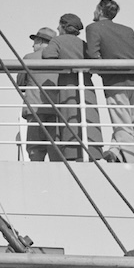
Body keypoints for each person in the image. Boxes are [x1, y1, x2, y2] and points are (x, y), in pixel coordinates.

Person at [86, 0, 134, 163]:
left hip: (115, 82)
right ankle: (115, 152)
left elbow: (92, 54)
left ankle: (133, 164)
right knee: (130, 127)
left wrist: (100, 70)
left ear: (99, 10)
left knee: (124, 128)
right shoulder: (128, 30)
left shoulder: (93, 28)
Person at [42, 13, 103, 161]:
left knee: (69, 118)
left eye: (59, 25)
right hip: (86, 85)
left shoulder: (58, 40)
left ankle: (71, 153)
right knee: (88, 118)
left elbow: (47, 55)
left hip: (67, 85)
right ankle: (93, 152)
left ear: (63, 26)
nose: (57, 28)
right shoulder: (83, 44)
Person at [18, 28, 59, 162]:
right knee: (56, 151)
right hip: (56, 111)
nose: (33, 45)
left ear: (41, 41)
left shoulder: (29, 58)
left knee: (35, 150)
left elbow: (20, 83)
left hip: (35, 110)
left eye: (35, 41)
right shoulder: (60, 58)